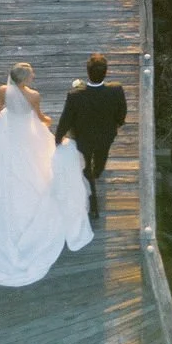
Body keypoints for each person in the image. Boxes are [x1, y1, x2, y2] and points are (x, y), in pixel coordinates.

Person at [0, 61, 93, 286]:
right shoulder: (34, 95)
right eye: (31, 73)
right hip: (26, 132)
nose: (33, 75)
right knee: (36, 165)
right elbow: (41, 117)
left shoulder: (3, 90)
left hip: (6, 129)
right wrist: (48, 121)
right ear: (23, 79)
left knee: (4, 167)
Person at [54, 53, 127, 219]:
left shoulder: (75, 95)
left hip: (83, 137)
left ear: (88, 72)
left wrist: (57, 138)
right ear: (105, 72)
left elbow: (66, 119)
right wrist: (117, 124)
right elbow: (122, 113)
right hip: (106, 135)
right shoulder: (116, 90)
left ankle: (93, 205)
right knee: (102, 156)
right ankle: (99, 171)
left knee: (85, 167)